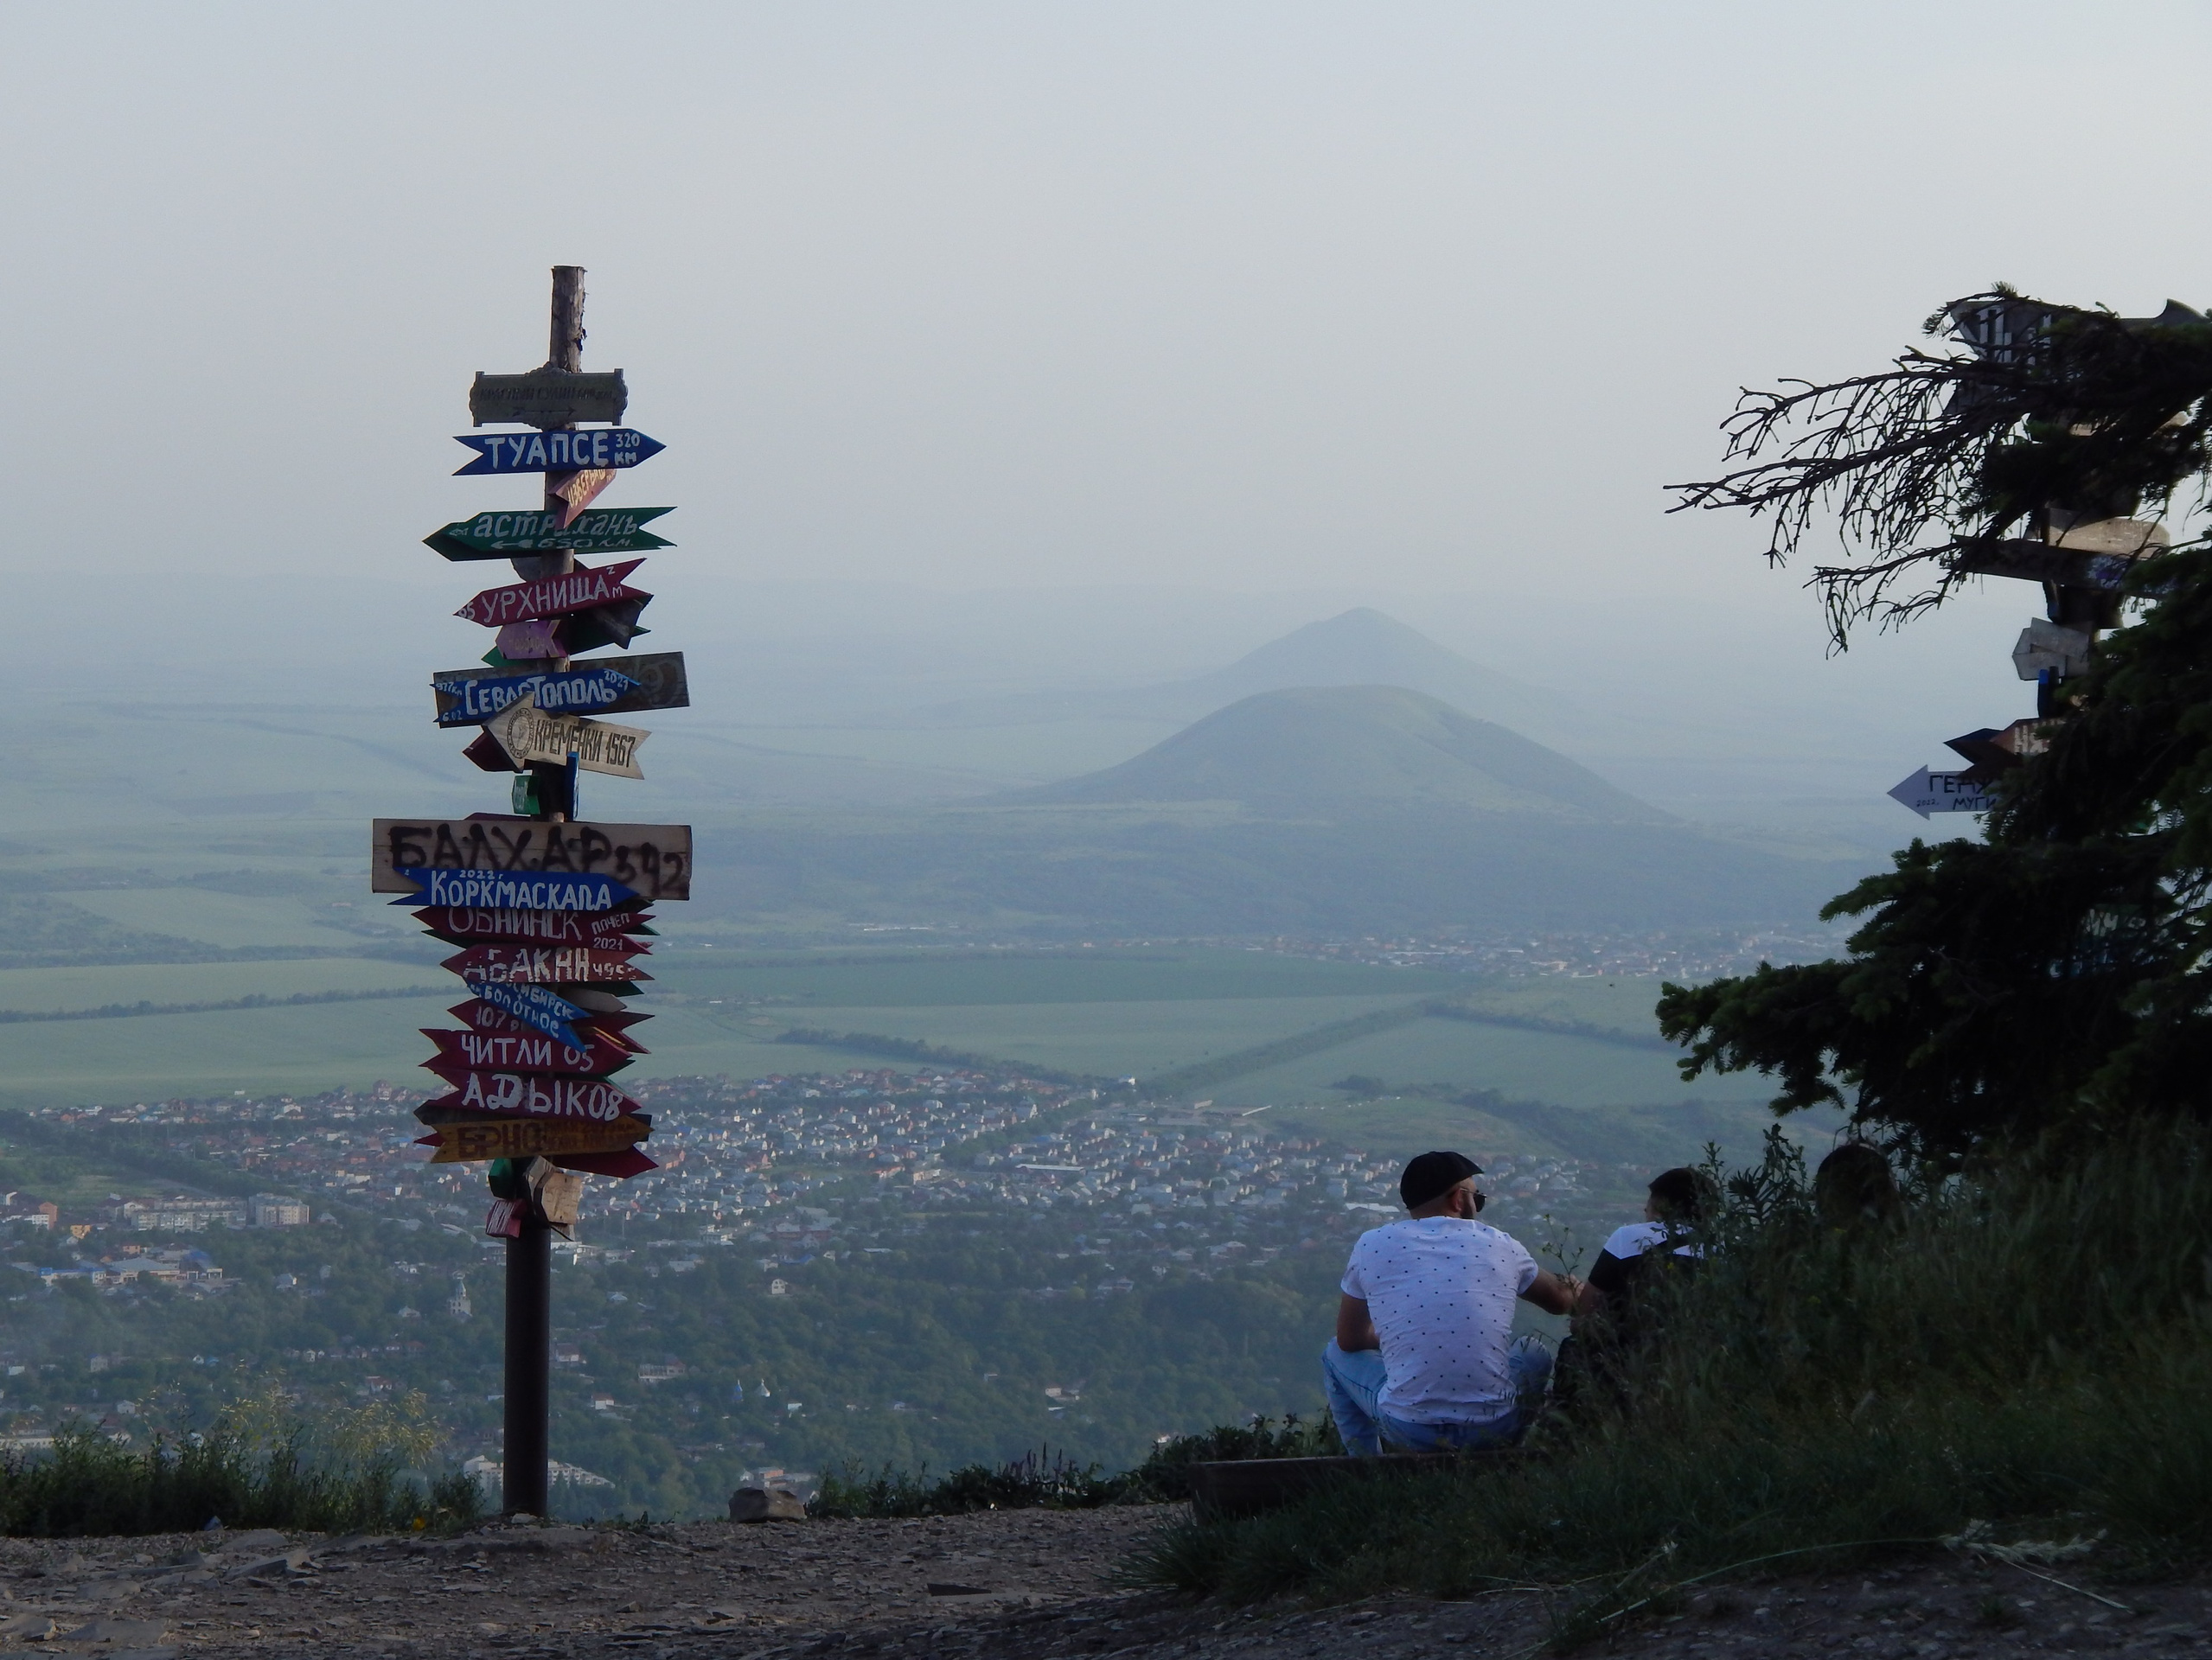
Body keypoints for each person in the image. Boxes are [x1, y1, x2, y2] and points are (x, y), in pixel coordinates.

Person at [1322, 1150, 1582, 1456]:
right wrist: (1581, 1285)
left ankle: (1366, 1468)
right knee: (1532, 1349)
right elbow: (1560, 1301)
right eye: (1478, 1198)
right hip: (1494, 1428)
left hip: (1410, 1431)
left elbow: (1349, 1340)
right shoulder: (1499, 1243)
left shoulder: (1373, 1245)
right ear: (1460, 1200)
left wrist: (1398, 1338)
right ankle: (1508, 1457)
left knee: (1333, 1354)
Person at [1555, 1165, 1717, 1411]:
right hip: (1701, 1373)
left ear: (1662, 1205)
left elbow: (1584, 1319)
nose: (1645, 1209)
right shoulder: (1725, 1250)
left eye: (1650, 1202)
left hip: (1626, 1374)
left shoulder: (1629, 1238)